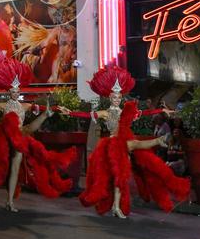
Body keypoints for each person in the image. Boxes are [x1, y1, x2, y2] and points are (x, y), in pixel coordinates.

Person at [71, 66, 189, 219]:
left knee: (122, 177)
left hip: (124, 143)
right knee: (127, 155)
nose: (117, 99)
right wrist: (70, 112)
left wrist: (162, 111)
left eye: (119, 97)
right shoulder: (106, 113)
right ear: (109, 98)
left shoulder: (125, 112)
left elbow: (145, 113)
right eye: (114, 97)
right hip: (113, 145)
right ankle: (158, 140)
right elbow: (86, 115)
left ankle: (116, 206)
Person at [0, 53, 77, 212]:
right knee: (6, 165)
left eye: (17, 90)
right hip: (5, 139)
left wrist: (58, 109)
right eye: (12, 90)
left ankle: (10, 200)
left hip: (20, 138)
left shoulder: (25, 106)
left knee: (17, 166)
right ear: (8, 92)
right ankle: (4, 189)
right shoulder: (3, 105)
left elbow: (40, 107)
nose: (15, 92)